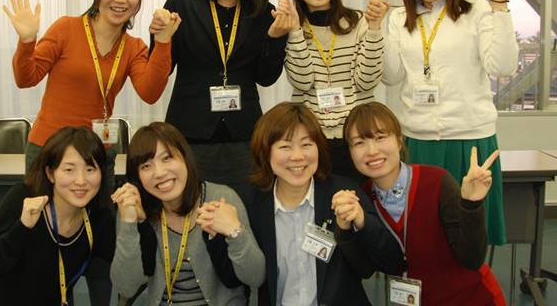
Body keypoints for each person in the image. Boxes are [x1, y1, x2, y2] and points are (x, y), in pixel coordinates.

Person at [383, 0, 531, 245]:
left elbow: (503, 66)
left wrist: (500, 6)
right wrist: (376, 30)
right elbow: (391, 76)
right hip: (418, 140)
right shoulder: (399, 19)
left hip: (470, 140)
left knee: (470, 236)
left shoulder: (477, 10)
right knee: (422, 236)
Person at [149, 0, 294, 197]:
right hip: (190, 134)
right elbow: (161, 71)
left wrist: (275, 37)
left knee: (246, 210)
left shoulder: (265, 12)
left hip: (245, 136)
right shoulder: (181, 4)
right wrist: (160, 38)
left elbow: (265, 77)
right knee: (191, 209)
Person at [4, 0, 178, 175]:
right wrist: (27, 41)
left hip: (97, 153)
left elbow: (150, 93)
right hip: (50, 148)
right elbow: (25, 79)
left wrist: (162, 42)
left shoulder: (134, 47)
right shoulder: (66, 29)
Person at [343, 101, 506, 305]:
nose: (372, 150)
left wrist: (471, 204)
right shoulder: (362, 199)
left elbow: (471, 259)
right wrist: (351, 227)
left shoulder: (437, 181)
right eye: (359, 143)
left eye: (380, 138)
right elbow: (370, 266)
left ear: (399, 140)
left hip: (471, 298)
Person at [245, 102, 402, 306]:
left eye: (306, 144)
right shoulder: (253, 203)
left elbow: (388, 263)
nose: (297, 156)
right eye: (285, 146)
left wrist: (361, 222)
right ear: (266, 152)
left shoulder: (344, 193)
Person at [110, 122, 265, 305]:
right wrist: (128, 223)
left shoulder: (221, 197)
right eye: (146, 166)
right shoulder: (136, 207)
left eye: (167, 158)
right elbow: (126, 288)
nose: (159, 173)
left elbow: (256, 277)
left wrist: (234, 231)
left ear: (185, 156)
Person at [0, 127, 115, 305]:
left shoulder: (98, 217)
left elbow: (121, 279)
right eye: (69, 170)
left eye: (90, 169)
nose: (81, 181)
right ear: (50, 173)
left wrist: (129, 222)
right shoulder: (24, 198)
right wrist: (22, 228)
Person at [284, 0, 388, 180]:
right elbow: (302, 82)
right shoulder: (291, 27)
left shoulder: (358, 22)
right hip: (311, 139)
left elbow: (367, 82)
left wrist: (374, 28)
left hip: (357, 136)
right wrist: (295, 31)